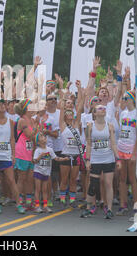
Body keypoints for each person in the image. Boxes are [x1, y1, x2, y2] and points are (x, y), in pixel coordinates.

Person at [81, 104, 120, 219]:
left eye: (104, 108)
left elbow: (113, 143)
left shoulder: (110, 126)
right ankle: (88, 208)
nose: (103, 110)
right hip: (95, 159)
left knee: (108, 183)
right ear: (95, 113)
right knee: (93, 184)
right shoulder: (90, 126)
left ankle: (109, 209)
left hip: (108, 158)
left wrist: (117, 158)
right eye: (100, 108)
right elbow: (88, 144)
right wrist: (87, 160)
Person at [0, 99, 22, 214]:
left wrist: (13, 154)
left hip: (6, 155)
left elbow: (12, 139)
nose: (2, 107)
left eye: (3, 105)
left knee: (11, 180)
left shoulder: (11, 122)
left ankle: (18, 204)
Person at [58, 80, 84, 208]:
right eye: (67, 113)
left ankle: (72, 199)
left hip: (76, 155)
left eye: (71, 113)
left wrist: (80, 90)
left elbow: (80, 107)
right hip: (66, 155)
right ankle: (62, 197)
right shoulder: (63, 126)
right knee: (64, 178)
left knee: (73, 179)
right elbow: (62, 108)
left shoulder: (77, 125)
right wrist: (64, 94)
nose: (69, 114)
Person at [32, 132, 69, 213]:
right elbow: (34, 161)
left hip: (46, 172)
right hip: (38, 172)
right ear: (38, 141)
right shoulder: (37, 150)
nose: (44, 138)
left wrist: (64, 159)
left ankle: (45, 206)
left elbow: (56, 158)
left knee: (45, 190)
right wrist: (40, 157)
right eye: (42, 137)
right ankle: (37, 206)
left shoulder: (50, 150)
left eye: (45, 136)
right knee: (38, 189)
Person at [116, 90, 137, 216]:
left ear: (132, 99)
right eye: (123, 98)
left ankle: (136, 206)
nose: (123, 100)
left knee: (132, 179)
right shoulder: (123, 113)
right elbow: (121, 131)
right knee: (122, 178)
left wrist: (135, 152)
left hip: (131, 149)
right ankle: (122, 205)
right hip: (121, 148)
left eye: (126, 98)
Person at [14, 98, 36, 214]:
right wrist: (38, 127)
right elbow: (31, 135)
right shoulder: (22, 121)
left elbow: (36, 137)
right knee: (21, 178)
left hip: (30, 152)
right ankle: (19, 202)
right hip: (22, 152)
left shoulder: (32, 120)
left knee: (30, 179)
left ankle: (28, 202)